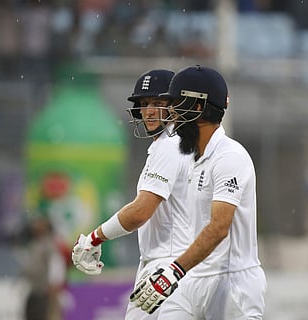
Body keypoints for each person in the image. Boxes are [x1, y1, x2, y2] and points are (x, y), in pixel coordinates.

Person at [130, 65, 267, 319]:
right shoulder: (192, 158)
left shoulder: (230, 157)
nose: (170, 113)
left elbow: (219, 227)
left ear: (197, 108)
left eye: (176, 104)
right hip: (194, 279)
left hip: (233, 284)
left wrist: (173, 271)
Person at [71, 69, 193, 319]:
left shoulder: (170, 147)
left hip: (167, 266)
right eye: (145, 104)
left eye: (159, 103)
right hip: (178, 266)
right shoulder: (180, 144)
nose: (149, 111)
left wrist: (95, 238)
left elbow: (140, 212)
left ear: (177, 106)